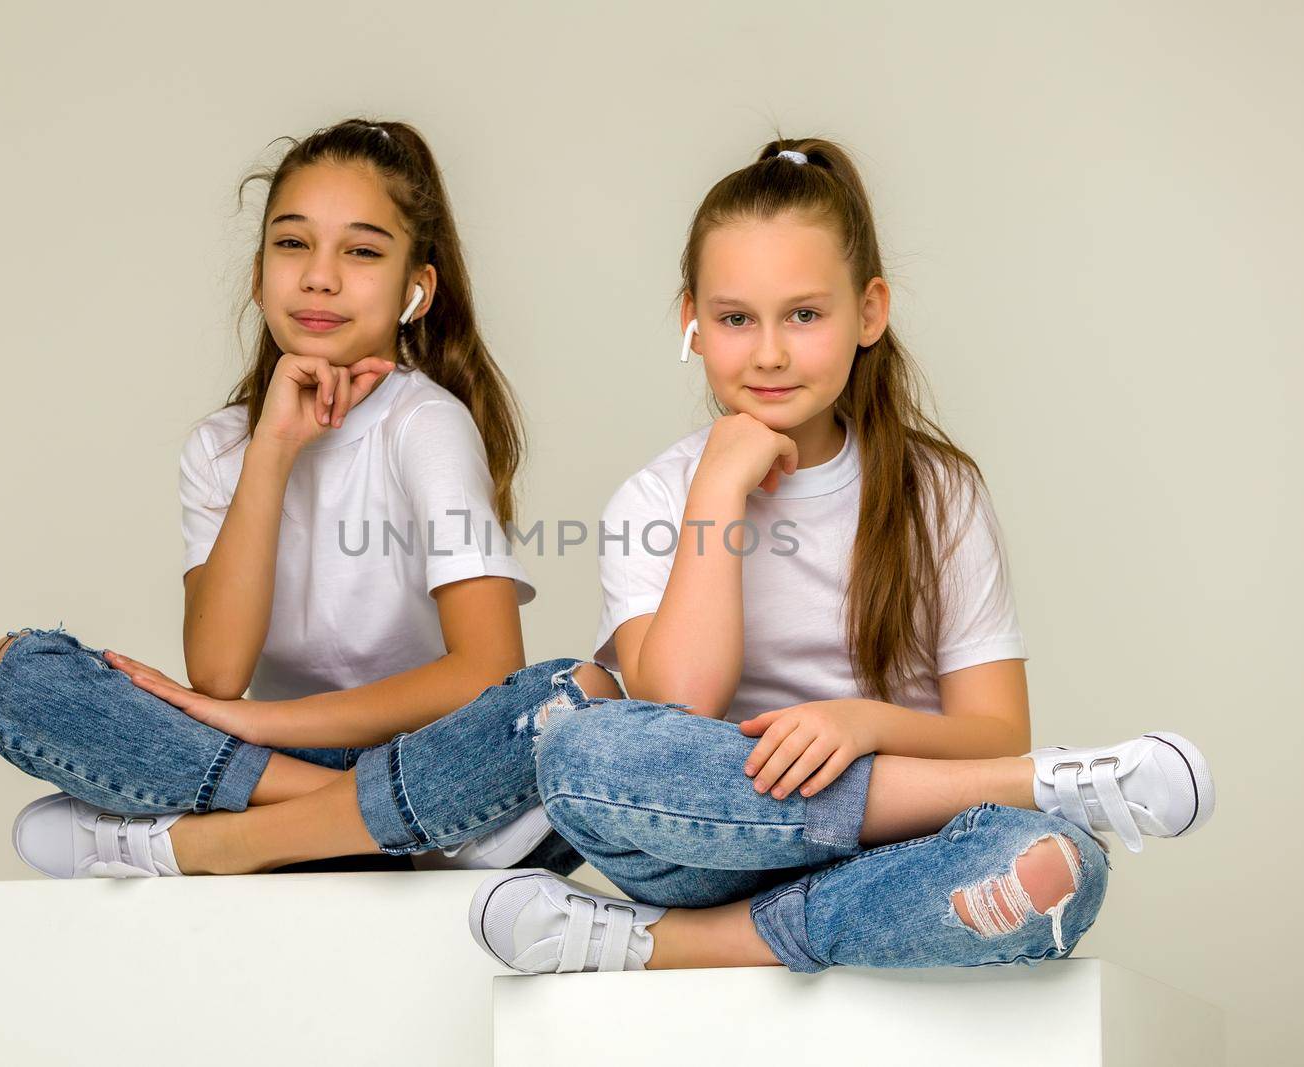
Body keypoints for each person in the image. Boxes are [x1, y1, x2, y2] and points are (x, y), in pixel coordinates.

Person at [466, 138, 1216, 974]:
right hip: (714, 847)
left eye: (805, 314)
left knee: (1059, 871)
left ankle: (663, 945)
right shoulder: (653, 499)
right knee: (581, 754)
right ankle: (1051, 785)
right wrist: (716, 490)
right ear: (692, 322)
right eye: (735, 318)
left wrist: (859, 725)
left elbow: (999, 730)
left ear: (869, 312)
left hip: (906, 847)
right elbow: (677, 704)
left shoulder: (938, 491)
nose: (770, 352)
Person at [0, 117, 577, 878]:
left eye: (362, 252)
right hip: (279, 757)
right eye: (293, 244)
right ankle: (372, 821)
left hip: (419, 754)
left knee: (571, 702)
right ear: (259, 274)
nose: (320, 276)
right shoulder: (222, 447)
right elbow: (219, 673)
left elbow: (486, 671)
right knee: (21, 673)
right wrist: (272, 449)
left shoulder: (423, 424)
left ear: (415, 290)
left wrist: (253, 721)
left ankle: (224, 834)